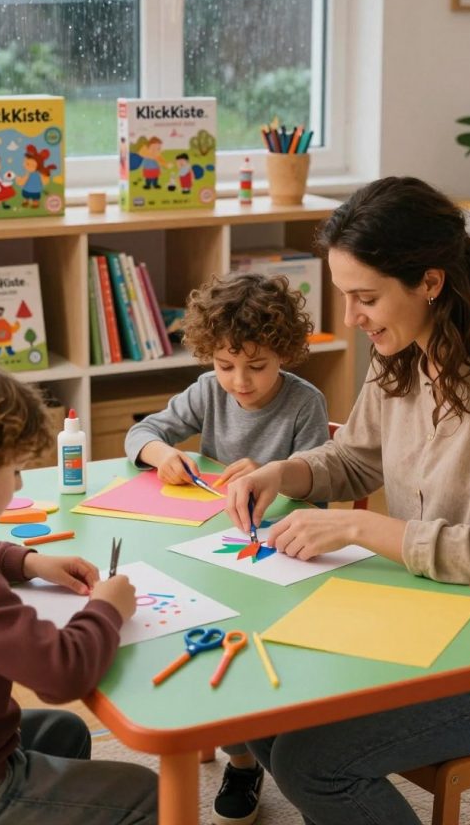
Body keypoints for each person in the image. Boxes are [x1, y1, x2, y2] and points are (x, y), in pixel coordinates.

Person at [226, 176, 470, 825]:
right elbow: (355, 458)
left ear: (429, 283)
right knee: (260, 707)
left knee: (313, 762)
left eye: (364, 298)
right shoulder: (401, 351)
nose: (350, 318)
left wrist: (361, 529)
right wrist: (281, 473)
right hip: (424, 615)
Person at [0, 351, 157, 825]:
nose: (20, 481)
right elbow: (61, 674)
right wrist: (106, 609)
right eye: (15, 469)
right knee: (152, 796)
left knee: (64, 733)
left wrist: (27, 559)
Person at [125, 271, 328, 825]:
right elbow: (142, 433)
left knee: (261, 653)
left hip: (279, 551)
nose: (240, 381)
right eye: (225, 365)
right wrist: (161, 457)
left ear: (284, 353)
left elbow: (323, 487)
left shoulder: (304, 403)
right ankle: (242, 755)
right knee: (199, 640)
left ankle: (260, 745)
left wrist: (275, 475)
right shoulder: (208, 391)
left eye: (257, 366)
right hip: (211, 545)